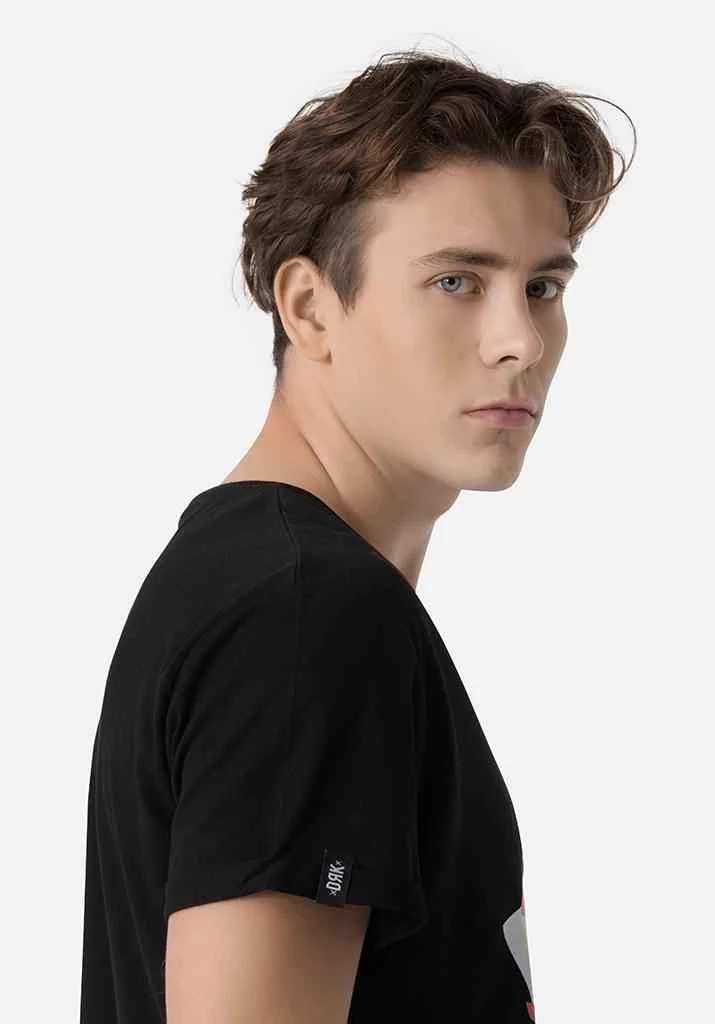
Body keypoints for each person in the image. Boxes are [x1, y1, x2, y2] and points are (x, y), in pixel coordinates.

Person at [79, 46, 634, 1023]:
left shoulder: (258, 582)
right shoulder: (306, 619)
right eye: (457, 281)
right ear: (309, 308)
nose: (520, 340)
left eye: (544, 287)